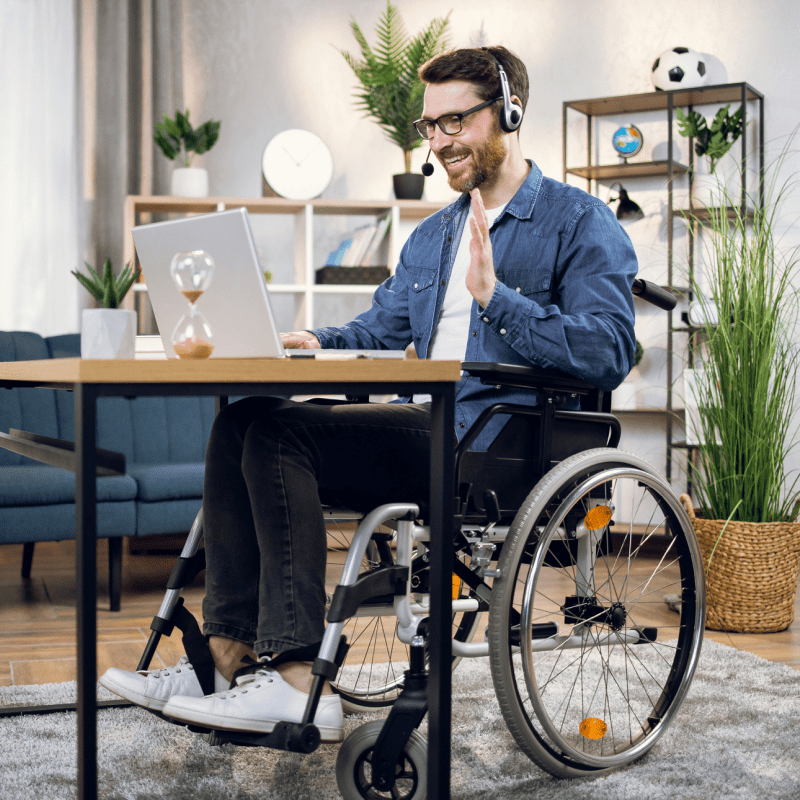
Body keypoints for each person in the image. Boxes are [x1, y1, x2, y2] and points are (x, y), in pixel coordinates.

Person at [99, 45, 637, 741]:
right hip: (427, 429)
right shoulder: (435, 235)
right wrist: (314, 340)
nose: (439, 141)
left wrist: (496, 299)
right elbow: (379, 327)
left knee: (280, 434)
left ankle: (299, 680)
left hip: (497, 447)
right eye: (430, 125)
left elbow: (608, 352)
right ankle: (226, 658)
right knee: (243, 420)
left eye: (455, 121)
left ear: (509, 113)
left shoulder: (579, 220)